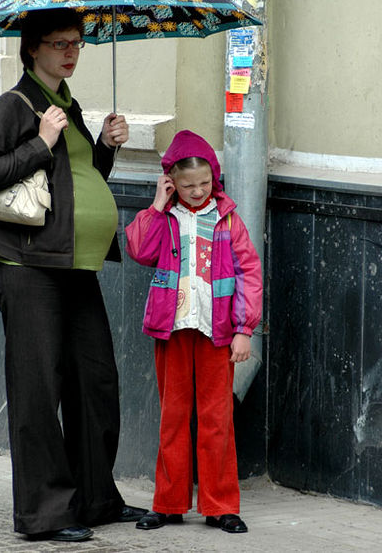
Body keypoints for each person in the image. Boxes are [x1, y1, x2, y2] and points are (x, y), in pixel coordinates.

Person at [0, 8, 146, 543]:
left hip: (74, 263)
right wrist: (40, 142)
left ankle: (95, 498)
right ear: (33, 48)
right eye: (59, 43)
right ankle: (45, 513)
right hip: (26, 266)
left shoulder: (68, 105)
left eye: (77, 43)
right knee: (38, 389)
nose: (71, 52)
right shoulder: (14, 105)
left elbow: (80, 177)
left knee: (95, 381)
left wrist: (106, 146)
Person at [125, 130, 262, 534]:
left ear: (214, 179)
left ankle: (221, 506)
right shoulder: (164, 218)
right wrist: (156, 205)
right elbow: (139, 250)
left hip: (217, 332)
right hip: (172, 331)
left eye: (204, 183)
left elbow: (249, 274)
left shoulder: (228, 220)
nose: (198, 191)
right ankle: (168, 504)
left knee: (217, 419)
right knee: (173, 418)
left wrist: (244, 329)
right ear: (171, 182)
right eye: (188, 186)